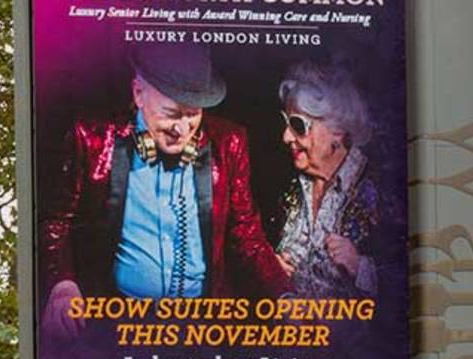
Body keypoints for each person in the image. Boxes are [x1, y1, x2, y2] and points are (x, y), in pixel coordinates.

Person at [39, 42, 291, 337]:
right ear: (138, 93)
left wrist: (283, 296)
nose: (182, 129)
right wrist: (62, 284)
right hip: (117, 327)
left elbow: (246, 233)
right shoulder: (92, 139)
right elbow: (57, 221)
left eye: (193, 114)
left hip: (202, 330)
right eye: (171, 113)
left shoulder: (228, 143)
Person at [274, 61, 386, 299]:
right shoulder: (291, 186)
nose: (285, 137)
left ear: (337, 130)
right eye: (286, 122)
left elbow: (414, 278)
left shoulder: (379, 188)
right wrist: (273, 270)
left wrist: (361, 267)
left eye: (298, 126)